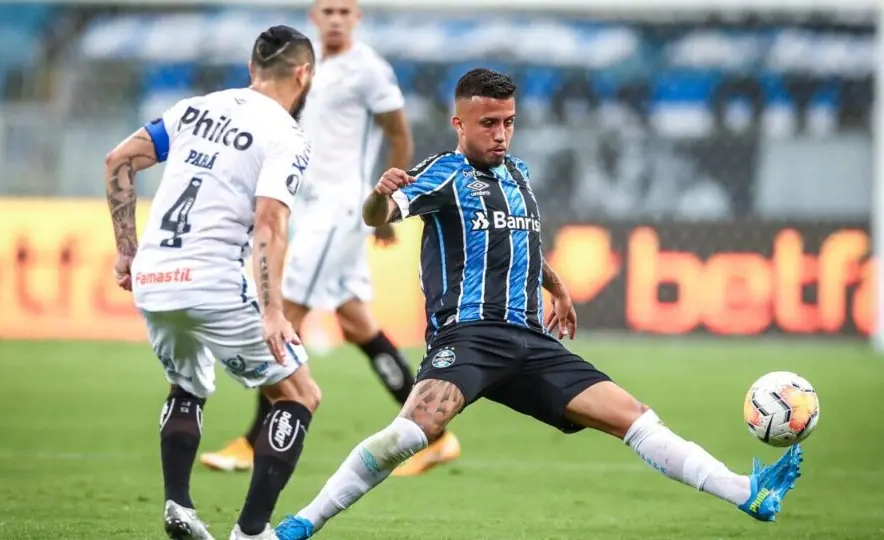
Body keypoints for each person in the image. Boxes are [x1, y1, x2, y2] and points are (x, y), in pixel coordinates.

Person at [273, 68, 804, 539]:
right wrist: (378, 193)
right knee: (412, 432)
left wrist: (557, 286)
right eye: (488, 123)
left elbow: (520, 242)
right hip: (470, 336)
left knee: (636, 418)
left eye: (508, 122)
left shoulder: (519, 174)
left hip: (530, 342)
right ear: (460, 124)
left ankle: (746, 492)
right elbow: (378, 217)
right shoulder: (444, 173)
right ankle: (302, 524)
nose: (500, 134)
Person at [200, 0, 460, 479]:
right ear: (314, 16)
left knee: (285, 313)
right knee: (356, 323)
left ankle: (257, 441)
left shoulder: (370, 70)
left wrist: (385, 205)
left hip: (341, 210)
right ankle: (437, 434)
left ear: (357, 16)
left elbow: (399, 136)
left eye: (345, 11)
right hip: (306, 202)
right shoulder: (302, 63)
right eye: (328, 10)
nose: (336, 18)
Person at [104, 25, 322, 540]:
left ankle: (178, 504)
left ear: (251, 69)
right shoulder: (286, 135)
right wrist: (273, 311)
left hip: (155, 276)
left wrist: (127, 250)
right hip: (212, 279)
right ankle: (251, 531)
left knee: (187, 384)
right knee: (299, 394)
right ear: (303, 74)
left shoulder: (194, 108)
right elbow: (269, 224)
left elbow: (119, 161)